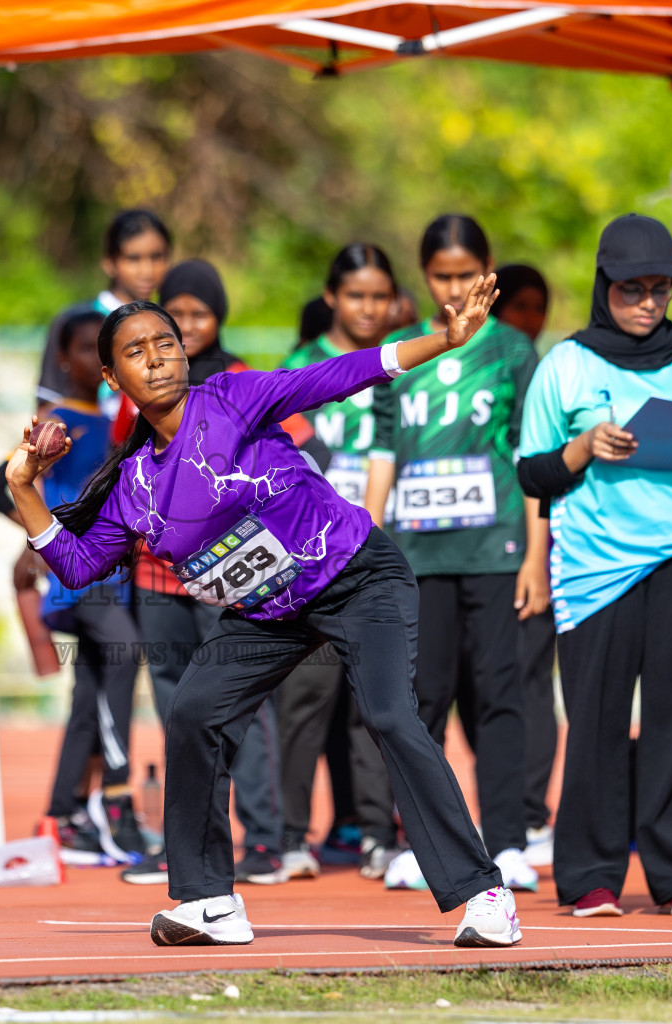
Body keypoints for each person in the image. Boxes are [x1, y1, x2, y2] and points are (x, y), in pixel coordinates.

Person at [6, 287, 523, 948]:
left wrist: (445, 341)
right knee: (194, 711)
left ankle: (485, 893)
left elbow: (334, 376)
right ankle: (210, 900)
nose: (159, 359)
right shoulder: (135, 482)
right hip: (270, 612)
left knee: (390, 713)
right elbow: (78, 565)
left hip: (357, 577)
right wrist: (25, 488)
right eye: (137, 353)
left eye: (166, 344)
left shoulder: (229, 398)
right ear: (113, 379)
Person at [518, 213, 672, 918]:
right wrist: (584, 446)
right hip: (595, 569)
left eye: (660, 288)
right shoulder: (566, 364)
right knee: (596, 721)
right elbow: (533, 473)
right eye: (631, 289)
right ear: (603, 286)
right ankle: (589, 874)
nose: (648, 302)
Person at [365, 215, 546, 892]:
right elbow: (383, 453)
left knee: (501, 696)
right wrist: (370, 540)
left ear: (488, 271)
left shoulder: (512, 351)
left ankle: (508, 840)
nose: (454, 286)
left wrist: (535, 556)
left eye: (466, 273)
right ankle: (426, 844)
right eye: (441, 275)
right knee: (419, 698)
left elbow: (530, 458)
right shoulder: (401, 352)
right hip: (415, 556)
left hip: (497, 551)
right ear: (424, 276)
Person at [120, 260, 300, 886]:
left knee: (243, 704)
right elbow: (123, 474)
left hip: (229, 576)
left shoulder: (243, 382)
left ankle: (268, 841)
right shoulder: (137, 390)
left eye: (200, 314)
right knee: (178, 712)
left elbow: (302, 448)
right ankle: (187, 844)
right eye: (177, 316)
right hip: (156, 581)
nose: (188, 328)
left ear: (219, 318)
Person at [0, 311, 146, 859]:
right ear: (63, 360)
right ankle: (117, 800)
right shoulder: (55, 420)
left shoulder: (113, 418)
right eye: (81, 349)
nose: (89, 359)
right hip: (77, 578)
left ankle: (62, 815)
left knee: (90, 693)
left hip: (111, 574)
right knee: (124, 656)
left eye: (98, 351)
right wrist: (40, 539)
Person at [278, 244, 403, 882]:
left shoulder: (389, 367)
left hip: (366, 556)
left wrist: (366, 535)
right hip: (305, 562)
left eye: (380, 297)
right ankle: (289, 837)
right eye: (356, 295)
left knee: (371, 701)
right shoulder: (296, 368)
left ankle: (379, 834)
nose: (367, 308)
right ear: (331, 297)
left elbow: (384, 452)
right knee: (304, 700)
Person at [487, 262, 559, 868]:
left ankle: (531, 815)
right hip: (477, 551)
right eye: (519, 307)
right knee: (482, 684)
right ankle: (499, 809)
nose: (529, 320)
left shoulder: (547, 375)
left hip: (533, 546)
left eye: (539, 307)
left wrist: (537, 552)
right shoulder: (477, 373)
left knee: (531, 679)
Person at [37, 209, 171, 410]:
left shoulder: (172, 324)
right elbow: (48, 405)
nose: (147, 271)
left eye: (156, 257)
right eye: (134, 258)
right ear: (109, 262)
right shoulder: (75, 323)